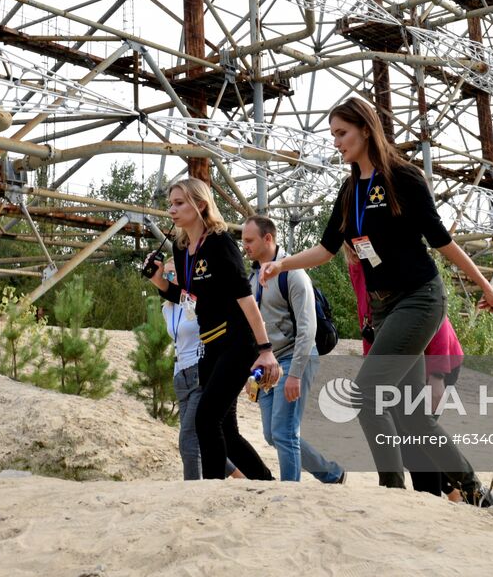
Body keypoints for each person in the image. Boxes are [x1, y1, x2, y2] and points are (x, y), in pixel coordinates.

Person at [261, 96, 493, 505]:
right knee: (410, 414)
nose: (336, 142)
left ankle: (391, 491)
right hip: (383, 307)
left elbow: (441, 240)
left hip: (419, 298)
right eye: (333, 134)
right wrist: (281, 264)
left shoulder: (403, 178)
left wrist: (486, 286)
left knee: (367, 395)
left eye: (342, 133)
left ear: (365, 129)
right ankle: (472, 487)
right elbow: (325, 249)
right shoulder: (349, 191)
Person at [146, 178, 276, 480]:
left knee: (206, 419)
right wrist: (158, 281)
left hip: (236, 342)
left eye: (179, 203)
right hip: (211, 346)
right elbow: (190, 299)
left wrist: (265, 350)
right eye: (170, 204)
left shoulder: (219, 242)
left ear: (200, 204)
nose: (172, 210)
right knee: (226, 430)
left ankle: (213, 489)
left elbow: (246, 300)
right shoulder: (181, 248)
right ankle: (266, 483)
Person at [349, 247, 463, 499]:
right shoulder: (357, 265)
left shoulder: (390, 255)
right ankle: (453, 490)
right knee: (403, 437)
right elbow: (371, 319)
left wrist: (438, 375)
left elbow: (433, 317)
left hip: (438, 356)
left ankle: (438, 498)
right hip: (402, 357)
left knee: (416, 439)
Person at [240, 214, 345, 484]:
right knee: (272, 434)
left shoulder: (294, 275)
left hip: (295, 357)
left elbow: (308, 329)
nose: (245, 246)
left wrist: (296, 373)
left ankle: (289, 495)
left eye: (249, 240)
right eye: (243, 241)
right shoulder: (253, 276)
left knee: (284, 433)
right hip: (268, 363)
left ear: (268, 238)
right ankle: (332, 473)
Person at [161, 280, 241, 481]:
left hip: (200, 371)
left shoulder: (196, 301)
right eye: (166, 273)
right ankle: (242, 477)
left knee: (188, 441)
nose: (169, 278)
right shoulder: (167, 309)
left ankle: (192, 494)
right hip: (180, 375)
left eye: (174, 273)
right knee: (201, 440)